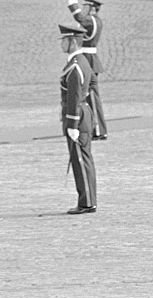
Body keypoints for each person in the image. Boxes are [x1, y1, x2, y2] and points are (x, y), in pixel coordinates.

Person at [59, 24, 96, 214]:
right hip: (84, 113)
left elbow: (73, 97)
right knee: (84, 158)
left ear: (72, 41)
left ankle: (86, 202)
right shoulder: (82, 62)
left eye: (64, 40)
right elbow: (92, 85)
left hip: (77, 117)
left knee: (80, 160)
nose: (62, 44)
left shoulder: (75, 66)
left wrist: (72, 124)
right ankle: (88, 199)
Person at [64, 0, 107, 140]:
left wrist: (72, 3)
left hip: (89, 58)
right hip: (88, 57)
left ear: (92, 8)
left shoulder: (92, 21)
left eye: (86, 6)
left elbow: (79, 17)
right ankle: (93, 128)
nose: (84, 8)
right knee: (88, 97)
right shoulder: (94, 20)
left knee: (92, 98)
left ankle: (99, 130)